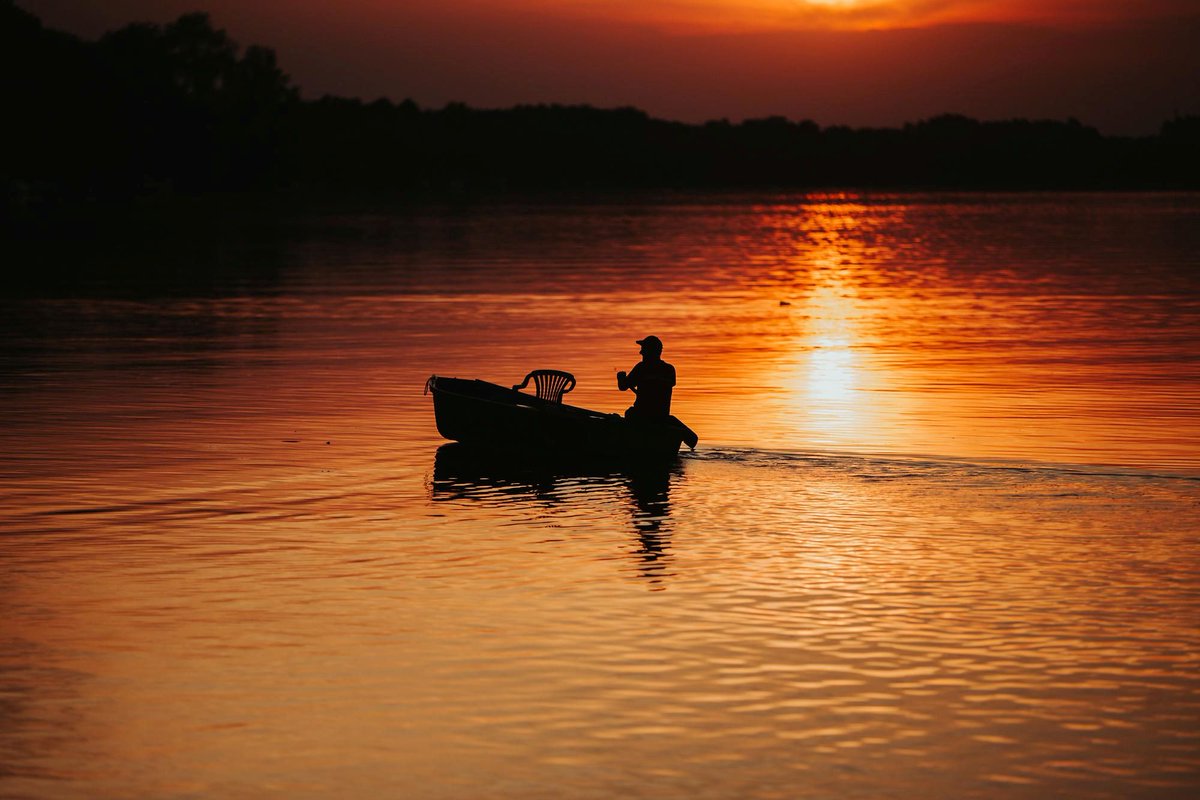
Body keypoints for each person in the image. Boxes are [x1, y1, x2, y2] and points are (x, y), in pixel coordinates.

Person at [617, 335, 676, 421]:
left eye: (643, 349)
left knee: (629, 413)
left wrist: (620, 377)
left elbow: (623, 386)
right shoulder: (669, 369)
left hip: (641, 414)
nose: (640, 352)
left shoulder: (641, 367)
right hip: (662, 415)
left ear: (650, 351)